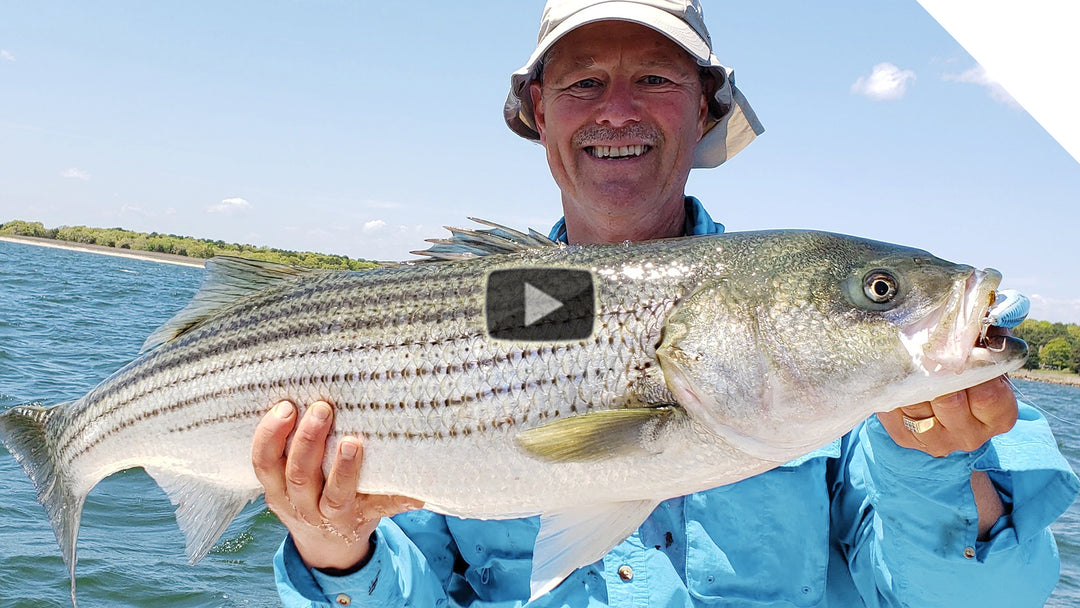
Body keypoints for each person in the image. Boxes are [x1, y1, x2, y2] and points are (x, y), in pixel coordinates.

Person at [252, 1, 1079, 606]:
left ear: (706, 106)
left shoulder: (889, 388)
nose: (616, 109)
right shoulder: (489, 310)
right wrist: (334, 548)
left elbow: (980, 601)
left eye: (653, 77)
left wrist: (934, 466)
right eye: (582, 83)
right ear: (540, 112)